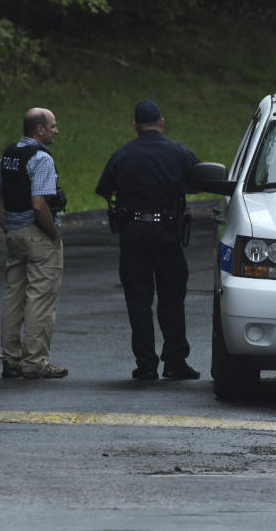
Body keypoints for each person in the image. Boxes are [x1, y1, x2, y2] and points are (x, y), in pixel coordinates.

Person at [95, 99, 201, 381]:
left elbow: (104, 189)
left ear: (135, 127)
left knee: (138, 301)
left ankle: (146, 364)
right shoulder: (178, 152)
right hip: (167, 235)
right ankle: (175, 362)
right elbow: (201, 179)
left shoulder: (122, 155)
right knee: (172, 298)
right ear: (162, 123)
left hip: (133, 237)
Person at [0, 107, 68, 379]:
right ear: (40, 130)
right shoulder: (41, 158)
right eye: (53, 126)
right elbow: (39, 203)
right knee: (40, 299)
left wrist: (7, 226)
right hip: (38, 236)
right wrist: (53, 233)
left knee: (14, 297)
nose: (56, 131)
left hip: (15, 234)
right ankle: (35, 361)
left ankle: (10, 360)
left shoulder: (10, 154)